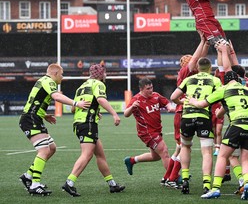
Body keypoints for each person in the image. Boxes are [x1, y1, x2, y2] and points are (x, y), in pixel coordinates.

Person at [189, 44, 248, 200]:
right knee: (245, 159)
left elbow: (203, 105)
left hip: (237, 124)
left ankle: (216, 188)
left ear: (225, 81)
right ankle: (247, 183)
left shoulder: (224, 89)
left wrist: (192, 100)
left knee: (222, 156)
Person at [19, 63, 90, 196]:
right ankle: (35, 185)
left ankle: (28, 176)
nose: (62, 77)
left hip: (34, 117)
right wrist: (76, 103)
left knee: (52, 148)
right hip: (31, 119)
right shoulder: (48, 81)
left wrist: (44, 115)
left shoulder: (43, 81)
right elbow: (56, 96)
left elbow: (33, 101)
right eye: (62, 74)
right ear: (55, 73)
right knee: (44, 150)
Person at [62, 64, 125, 197]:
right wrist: (114, 114)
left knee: (100, 155)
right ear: (101, 74)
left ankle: (112, 184)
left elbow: (73, 108)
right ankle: (69, 182)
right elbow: (101, 99)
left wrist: (94, 112)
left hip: (79, 123)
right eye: (105, 73)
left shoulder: (82, 86)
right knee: (87, 154)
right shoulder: (98, 84)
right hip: (88, 124)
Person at [162, 36, 209, 189]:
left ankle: (167, 177)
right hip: (184, 111)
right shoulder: (186, 72)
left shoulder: (191, 75)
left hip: (183, 112)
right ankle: (173, 177)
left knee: (180, 146)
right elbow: (197, 58)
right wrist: (202, 42)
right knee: (183, 147)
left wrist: (206, 43)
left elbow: (201, 59)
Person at [170, 57, 222, 195]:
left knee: (185, 147)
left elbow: (173, 97)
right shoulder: (215, 80)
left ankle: (185, 178)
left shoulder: (189, 79)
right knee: (206, 152)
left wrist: (183, 103)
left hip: (187, 117)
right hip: (203, 117)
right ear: (210, 68)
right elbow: (222, 97)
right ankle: (206, 183)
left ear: (197, 68)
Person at [124, 78, 175, 177]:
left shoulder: (156, 96)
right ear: (141, 89)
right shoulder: (136, 100)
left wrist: (169, 107)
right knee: (164, 151)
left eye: (151, 87)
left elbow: (166, 102)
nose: (151, 90)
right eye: (148, 89)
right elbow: (126, 114)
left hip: (156, 131)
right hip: (147, 133)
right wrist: (132, 107)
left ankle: (131, 160)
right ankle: (173, 177)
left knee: (155, 156)